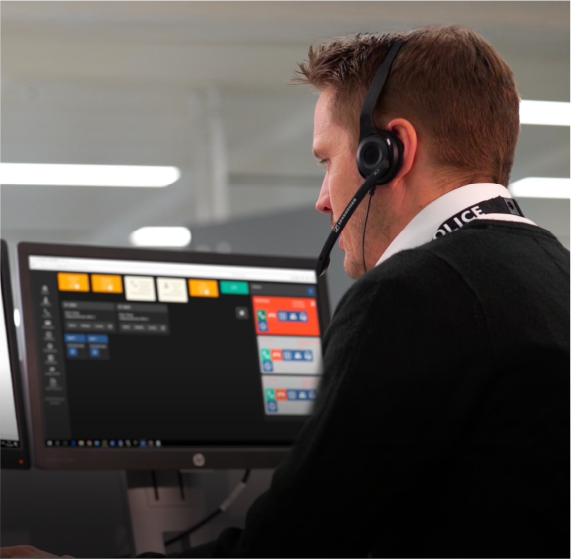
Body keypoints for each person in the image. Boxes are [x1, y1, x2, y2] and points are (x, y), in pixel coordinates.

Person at [2, 24, 570, 559]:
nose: (324, 198)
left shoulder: (410, 297)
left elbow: (288, 550)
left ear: (388, 152)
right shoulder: (554, 273)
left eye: (328, 161)